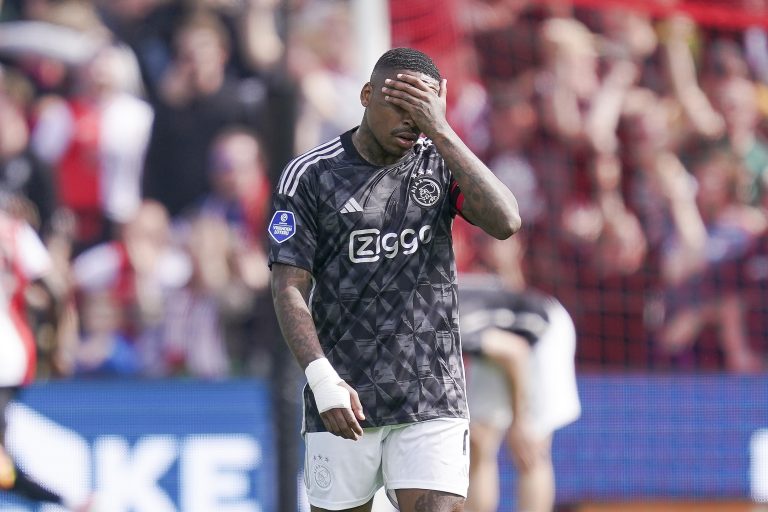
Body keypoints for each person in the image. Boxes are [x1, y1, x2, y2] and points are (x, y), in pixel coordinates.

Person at [268, 47, 521, 512]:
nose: (411, 121)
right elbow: (288, 285)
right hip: (343, 398)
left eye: (422, 110)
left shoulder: (440, 161)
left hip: (431, 393)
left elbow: (506, 221)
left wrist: (441, 129)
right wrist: (322, 379)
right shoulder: (311, 176)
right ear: (366, 95)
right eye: (400, 107)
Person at [0, 205, 98, 511]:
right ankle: (70, 500)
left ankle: (69, 500)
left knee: (2, 466)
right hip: (10, 353)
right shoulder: (14, 228)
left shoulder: (14, 230)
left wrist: (57, 343)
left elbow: (53, 290)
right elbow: (53, 288)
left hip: (5, 356)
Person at [458, 274, 581, 512]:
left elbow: (516, 352)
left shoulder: (454, 322)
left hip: (542, 334)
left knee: (530, 447)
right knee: (479, 440)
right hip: (499, 340)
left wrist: (520, 420)